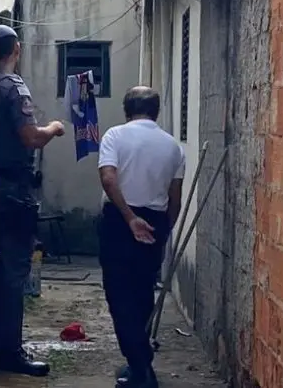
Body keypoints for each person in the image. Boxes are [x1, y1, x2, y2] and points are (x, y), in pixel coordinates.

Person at [0, 24, 65, 377]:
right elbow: (30, 137)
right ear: (16, 50)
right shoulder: (12, 86)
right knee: (13, 271)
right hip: (14, 188)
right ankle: (8, 353)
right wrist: (53, 128)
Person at [98, 86, 185, 388]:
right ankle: (140, 360)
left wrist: (130, 219)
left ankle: (141, 368)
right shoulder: (173, 146)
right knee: (143, 292)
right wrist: (164, 232)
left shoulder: (114, 136)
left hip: (120, 220)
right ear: (156, 111)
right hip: (156, 222)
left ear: (127, 109)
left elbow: (108, 179)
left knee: (119, 295)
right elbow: (175, 198)